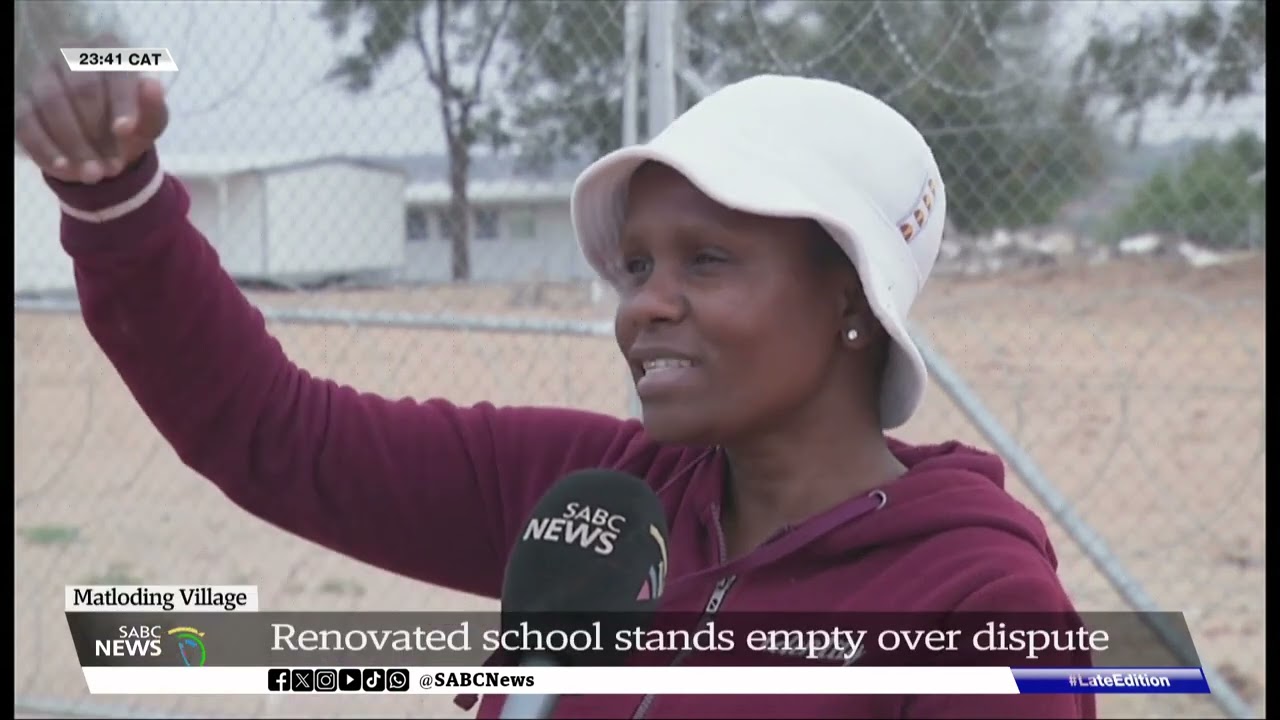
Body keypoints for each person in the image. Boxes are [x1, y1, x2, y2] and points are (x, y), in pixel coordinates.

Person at [16, 54, 1094, 719]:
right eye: (636, 266)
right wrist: (115, 196)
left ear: (850, 299)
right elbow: (277, 434)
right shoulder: (587, 501)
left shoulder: (977, 609)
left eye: (704, 262)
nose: (643, 305)